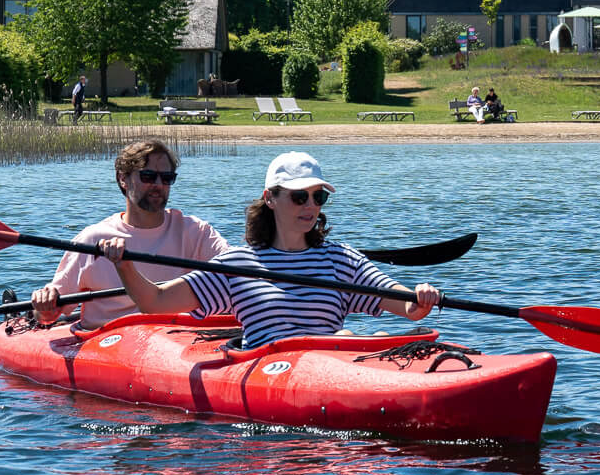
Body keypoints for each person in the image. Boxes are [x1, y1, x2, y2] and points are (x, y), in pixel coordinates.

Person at [94, 152, 439, 347]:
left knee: (360, 335)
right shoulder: (237, 265)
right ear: (270, 198)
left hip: (335, 361)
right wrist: (125, 266)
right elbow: (155, 301)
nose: (310, 206)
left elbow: (407, 307)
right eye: (299, 196)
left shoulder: (341, 259)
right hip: (269, 371)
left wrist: (420, 297)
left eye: (318, 197)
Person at [30, 139, 228, 329]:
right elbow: (47, 317)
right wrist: (45, 303)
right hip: (108, 343)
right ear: (123, 178)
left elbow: (237, 271)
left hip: (175, 339)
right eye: (148, 176)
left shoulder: (196, 231)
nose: (158, 185)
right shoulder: (93, 240)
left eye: (167, 178)